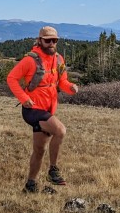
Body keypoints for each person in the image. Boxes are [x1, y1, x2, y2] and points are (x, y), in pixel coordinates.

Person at [6, 25, 79, 193]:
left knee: (39, 150)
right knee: (60, 130)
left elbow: (62, 83)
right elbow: (11, 78)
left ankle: (30, 184)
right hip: (32, 110)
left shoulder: (59, 59)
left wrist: (72, 88)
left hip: (47, 109)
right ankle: (53, 170)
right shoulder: (30, 60)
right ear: (40, 41)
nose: (51, 43)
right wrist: (24, 99)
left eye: (54, 40)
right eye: (48, 40)